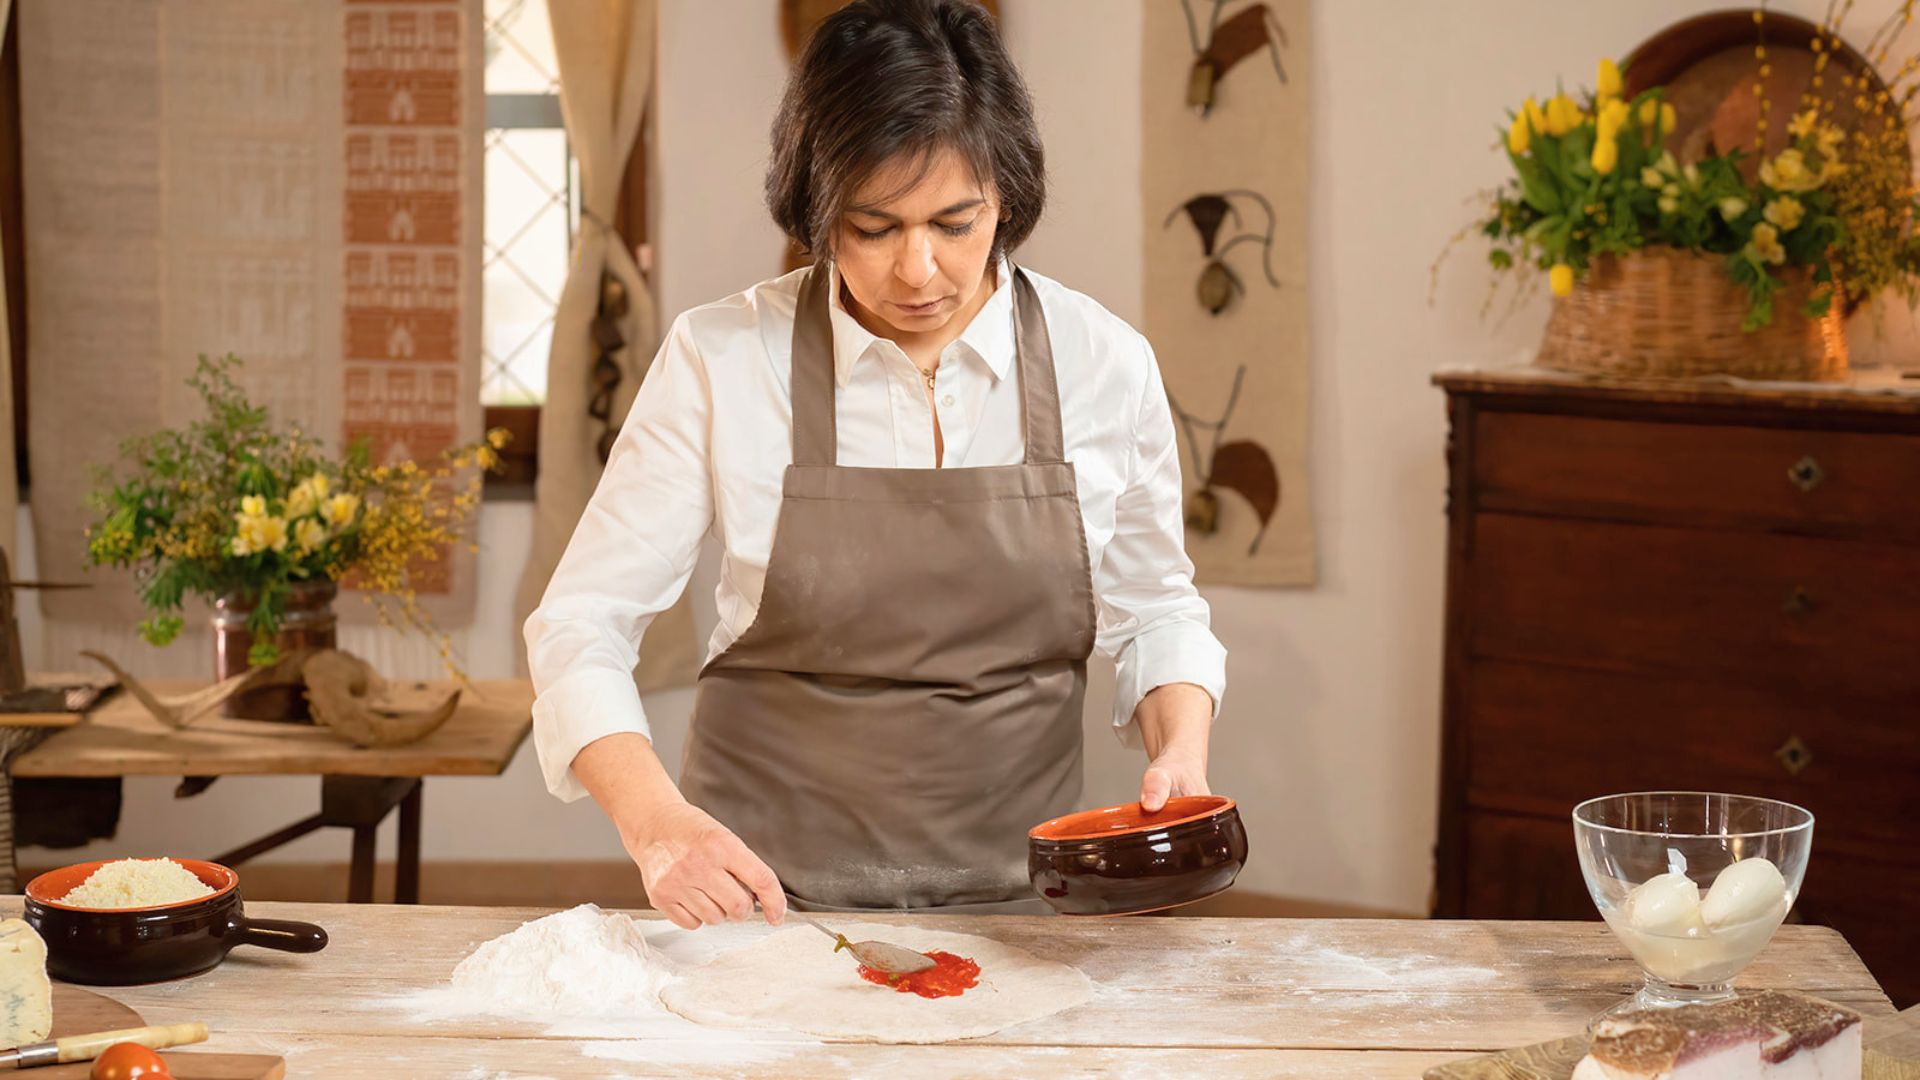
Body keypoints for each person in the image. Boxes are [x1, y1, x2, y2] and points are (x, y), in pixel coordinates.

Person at [525, 0, 1226, 929]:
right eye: (873, 227)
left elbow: (1156, 612)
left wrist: (1182, 753)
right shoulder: (722, 358)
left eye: (954, 222)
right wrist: (659, 828)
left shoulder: (1106, 362)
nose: (919, 271)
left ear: (1005, 198)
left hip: (1032, 910)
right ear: (815, 210)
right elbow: (581, 624)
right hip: (752, 901)